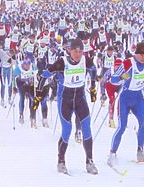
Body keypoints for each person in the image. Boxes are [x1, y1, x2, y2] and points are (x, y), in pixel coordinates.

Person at [34, 38, 98, 175]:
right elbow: (45, 74)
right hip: (65, 100)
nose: (78, 54)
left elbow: (93, 70)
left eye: (81, 51)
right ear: (69, 50)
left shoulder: (85, 60)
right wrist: (39, 92)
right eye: (76, 51)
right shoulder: (62, 62)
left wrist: (93, 88)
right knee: (67, 130)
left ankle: (89, 161)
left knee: (87, 128)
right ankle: (61, 161)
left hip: (80, 98)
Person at [107, 42, 144, 165]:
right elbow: (113, 79)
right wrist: (121, 77)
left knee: (143, 123)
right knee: (122, 127)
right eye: (142, 55)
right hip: (125, 98)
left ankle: (140, 150)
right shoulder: (128, 63)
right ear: (137, 54)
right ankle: (112, 153)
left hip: (139, 97)